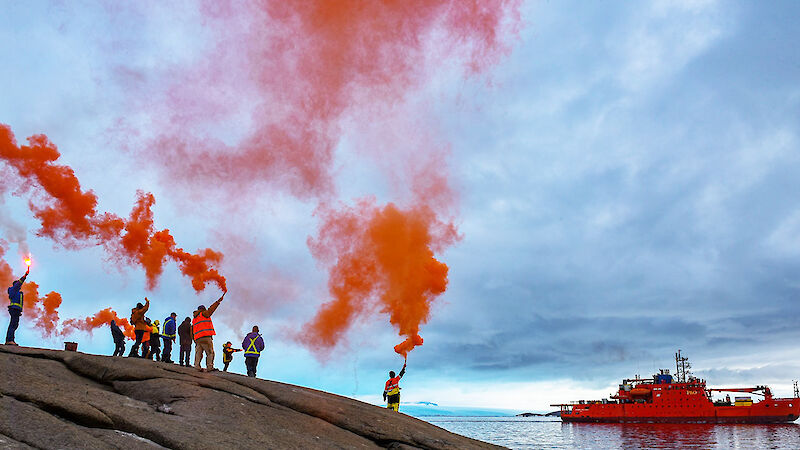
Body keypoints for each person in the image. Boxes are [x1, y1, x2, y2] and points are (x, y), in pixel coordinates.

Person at [192, 292, 226, 371]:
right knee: (210, 352)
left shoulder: (195, 318)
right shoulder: (204, 314)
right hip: (206, 336)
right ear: (203, 309)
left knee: (198, 353)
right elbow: (211, 309)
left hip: (197, 338)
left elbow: (192, 329)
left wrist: (194, 339)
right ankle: (209, 367)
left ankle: (197, 366)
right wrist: (218, 302)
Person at [5, 265, 29, 345]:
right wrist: (25, 275)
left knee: (15, 325)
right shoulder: (14, 289)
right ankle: (9, 340)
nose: (20, 286)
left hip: (16, 310)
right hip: (14, 309)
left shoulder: (18, 292)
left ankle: (11, 340)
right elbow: (19, 283)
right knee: (13, 324)